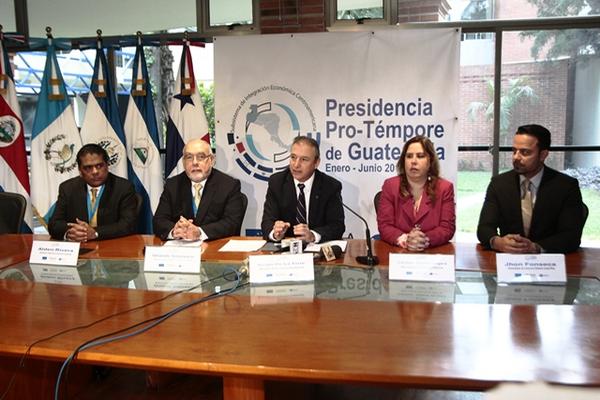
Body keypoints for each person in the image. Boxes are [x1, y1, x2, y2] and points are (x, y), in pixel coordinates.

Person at [477, 124, 584, 253]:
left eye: (525, 152)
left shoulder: (565, 186)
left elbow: (571, 236)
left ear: (543, 155)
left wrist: (535, 247)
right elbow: (484, 228)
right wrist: (497, 242)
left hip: (549, 262)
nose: (516, 157)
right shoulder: (499, 184)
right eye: (514, 151)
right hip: (509, 261)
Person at [153, 138, 245, 241]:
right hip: (180, 249)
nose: (195, 162)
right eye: (189, 157)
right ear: (183, 162)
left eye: (201, 157)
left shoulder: (229, 185)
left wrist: (199, 232)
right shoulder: (173, 185)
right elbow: (159, 220)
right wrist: (175, 230)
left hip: (215, 248)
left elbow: (232, 223)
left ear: (212, 160)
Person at [377, 136, 455, 251]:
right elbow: (384, 225)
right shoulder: (390, 186)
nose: (413, 161)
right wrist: (405, 239)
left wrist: (424, 240)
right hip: (397, 254)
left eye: (420, 156)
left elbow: (447, 228)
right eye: (409, 156)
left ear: (430, 161)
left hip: (432, 254)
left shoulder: (444, 188)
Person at [261, 136, 345, 243]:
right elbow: (267, 222)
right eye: (293, 157)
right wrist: (275, 233)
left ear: (316, 163)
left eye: (304, 159)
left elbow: (337, 226)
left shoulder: (330, 186)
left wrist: (313, 235)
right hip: (285, 251)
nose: (296, 165)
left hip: (316, 252)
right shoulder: (277, 182)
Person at [49, 144, 137, 242]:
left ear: (107, 165)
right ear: (80, 171)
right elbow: (54, 224)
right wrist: (71, 232)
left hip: (111, 245)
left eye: (99, 166)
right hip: (78, 247)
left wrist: (95, 233)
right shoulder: (68, 188)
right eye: (88, 168)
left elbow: (128, 224)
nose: (95, 172)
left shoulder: (123, 187)